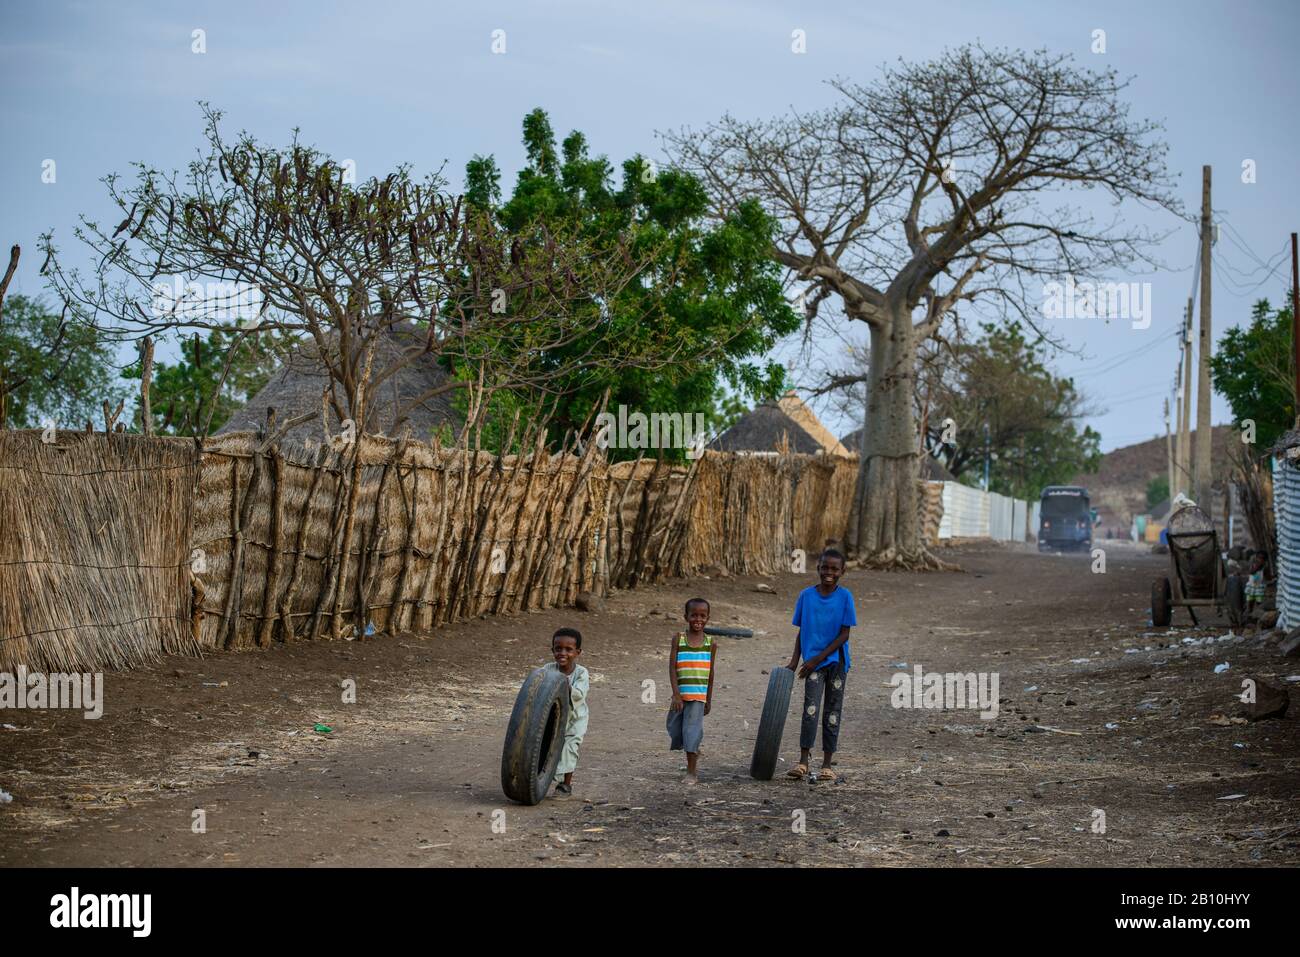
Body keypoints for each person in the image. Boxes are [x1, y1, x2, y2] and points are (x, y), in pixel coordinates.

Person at [786, 548, 857, 782]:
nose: (829, 572)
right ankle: (803, 761)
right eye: (825, 567)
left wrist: (816, 659)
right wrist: (794, 661)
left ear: (842, 571)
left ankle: (827, 764)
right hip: (812, 664)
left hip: (835, 663)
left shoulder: (845, 597)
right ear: (818, 568)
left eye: (834, 569)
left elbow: (844, 635)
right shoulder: (806, 596)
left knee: (832, 712)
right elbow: (801, 631)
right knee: (810, 710)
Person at [667, 597, 717, 786]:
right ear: (686, 616)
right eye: (694, 615)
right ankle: (692, 745)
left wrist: (708, 700)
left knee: (691, 731)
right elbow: (672, 667)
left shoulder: (710, 643)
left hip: (698, 696)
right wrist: (676, 693)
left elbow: (711, 673)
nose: (698, 619)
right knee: (674, 728)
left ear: (708, 618)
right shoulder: (678, 639)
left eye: (702, 616)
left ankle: (692, 772)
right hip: (680, 695)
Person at [544, 627, 589, 796]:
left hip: (575, 718)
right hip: (551, 718)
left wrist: (565, 684)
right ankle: (542, 780)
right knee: (547, 746)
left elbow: (579, 694)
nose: (562, 653)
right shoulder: (547, 670)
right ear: (552, 650)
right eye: (558, 649)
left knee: (571, 747)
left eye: (569, 649)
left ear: (578, 652)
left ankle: (565, 784)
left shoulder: (581, 673)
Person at [1244, 551, 1268, 616]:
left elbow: (1267, 576)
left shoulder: (1264, 568)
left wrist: (1272, 578)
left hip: (1259, 588)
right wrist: (1257, 567)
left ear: (1265, 560)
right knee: (1250, 601)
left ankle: (1256, 614)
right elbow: (1251, 572)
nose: (1260, 560)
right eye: (1259, 558)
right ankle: (1248, 612)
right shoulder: (1253, 565)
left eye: (1262, 559)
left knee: (1259, 602)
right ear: (1256, 558)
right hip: (1251, 586)